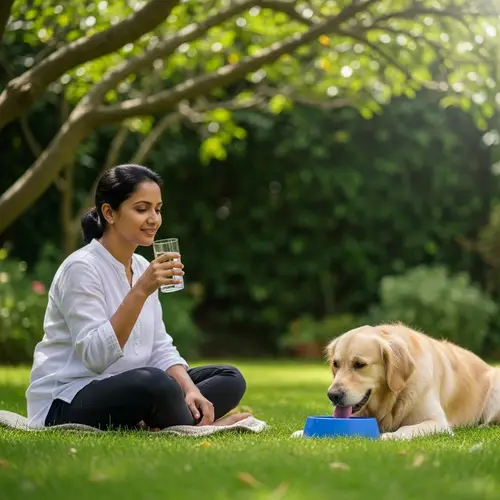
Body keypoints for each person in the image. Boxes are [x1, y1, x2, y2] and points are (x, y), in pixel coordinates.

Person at [26, 164, 250, 430]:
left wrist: (190, 390)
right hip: (68, 398)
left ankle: (168, 416)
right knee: (155, 384)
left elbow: (159, 347)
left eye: (158, 209)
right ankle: (199, 424)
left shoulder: (142, 266)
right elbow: (95, 358)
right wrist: (141, 291)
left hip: (134, 388)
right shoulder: (81, 268)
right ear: (109, 212)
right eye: (142, 209)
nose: (154, 218)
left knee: (229, 377)